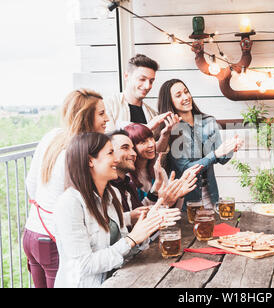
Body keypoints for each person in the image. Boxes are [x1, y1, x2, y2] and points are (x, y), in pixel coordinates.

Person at [54, 132, 174, 288]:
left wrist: (143, 230)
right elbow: (83, 265)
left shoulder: (112, 194)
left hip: (118, 280)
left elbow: (123, 251)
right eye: (110, 153)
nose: (117, 159)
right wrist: (131, 240)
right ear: (90, 160)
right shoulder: (69, 203)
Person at [24, 89, 109, 288]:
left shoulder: (52, 136)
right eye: (102, 113)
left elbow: (31, 185)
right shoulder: (80, 153)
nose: (107, 118)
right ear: (87, 117)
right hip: (53, 240)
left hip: (32, 233)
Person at [158, 79, 244, 209]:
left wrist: (230, 148)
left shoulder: (209, 121)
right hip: (186, 199)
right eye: (179, 95)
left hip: (211, 194)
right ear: (170, 101)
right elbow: (186, 169)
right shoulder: (172, 130)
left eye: (186, 92)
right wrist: (216, 154)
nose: (186, 97)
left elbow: (222, 159)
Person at [103, 54, 180, 155]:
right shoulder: (108, 106)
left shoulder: (152, 114)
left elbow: (154, 153)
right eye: (142, 79)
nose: (148, 86)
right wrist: (148, 128)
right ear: (126, 76)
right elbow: (110, 145)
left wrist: (165, 135)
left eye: (151, 81)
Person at [107, 129, 182, 228]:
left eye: (133, 148)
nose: (134, 153)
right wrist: (128, 218)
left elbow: (142, 213)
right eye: (125, 148)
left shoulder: (128, 184)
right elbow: (102, 225)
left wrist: (169, 199)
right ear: (108, 153)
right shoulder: (105, 186)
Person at [124, 123, 201, 208]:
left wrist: (178, 194)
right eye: (143, 142)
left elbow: (173, 209)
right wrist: (156, 188)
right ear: (131, 147)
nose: (151, 144)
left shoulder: (159, 170)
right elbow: (138, 214)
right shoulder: (126, 176)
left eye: (151, 138)